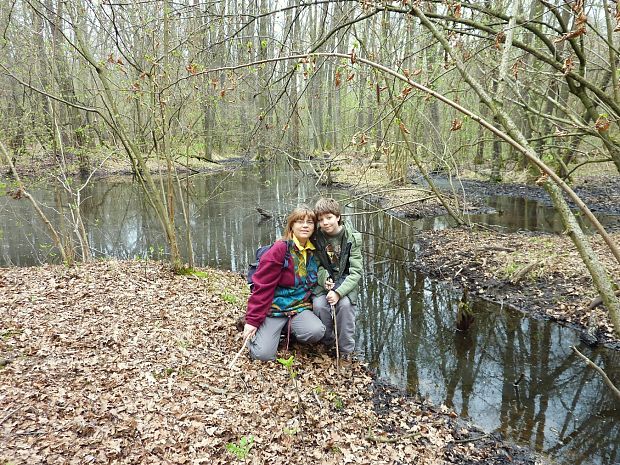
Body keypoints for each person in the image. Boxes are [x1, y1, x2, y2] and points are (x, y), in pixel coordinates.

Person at [244, 205, 326, 361]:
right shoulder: (280, 249)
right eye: (300, 221)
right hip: (274, 308)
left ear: (314, 227)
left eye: (309, 222)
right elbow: (262, 287)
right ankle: (260, 329)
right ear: (292, 225)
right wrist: (252, 321)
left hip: (298, 307)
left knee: (316, 331)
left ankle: (287, 331)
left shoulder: (313, 251)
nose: (305, 225)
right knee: (262, 355)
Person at [312, 198, 363, 357]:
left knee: (345, 306)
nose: (325, 223)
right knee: (320, 305)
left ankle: (345, 350)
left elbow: (355, 271)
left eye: (329, 218)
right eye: (321, 220)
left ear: (338, 217)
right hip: (326, 283)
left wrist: (338, 292)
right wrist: (324, 278)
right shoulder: (317, 237)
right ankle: (327, 343)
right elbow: (317, 265)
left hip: (346, 282)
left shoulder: (351, 237)